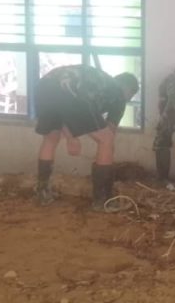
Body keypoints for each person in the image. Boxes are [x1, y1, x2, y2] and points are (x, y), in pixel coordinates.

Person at [33, 64, 139, 210]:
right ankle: (102, 201)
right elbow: (109, 133)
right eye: (130, 96)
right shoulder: (118, 94)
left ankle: (43, 193)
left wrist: (71, 137)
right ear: (128, 90)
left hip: (44, 86)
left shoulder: (101, 81)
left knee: (51, 138)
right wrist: (106, 152)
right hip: (72, 91)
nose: (127, 100)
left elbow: (60, 107)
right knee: (106, 140)